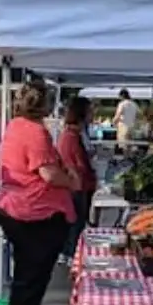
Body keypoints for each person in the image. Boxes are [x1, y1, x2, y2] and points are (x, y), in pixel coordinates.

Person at [0, 79, 78, 305]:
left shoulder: (14, 126)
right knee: (30, 276)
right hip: (35, 212)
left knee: (33, 274)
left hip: (15, 208)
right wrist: (71, 181)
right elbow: (49, 175)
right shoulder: (37, 133)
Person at [57, 96, 99, 264]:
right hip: (76, 186)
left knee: (78, 221)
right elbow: (73, 163)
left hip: (80, 185)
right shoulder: (70, 136)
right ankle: (70, 254)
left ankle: (71, 253)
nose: (93, 114)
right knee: (75, 221)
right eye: (90, 111)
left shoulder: (77, 133)